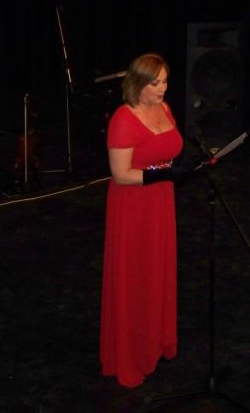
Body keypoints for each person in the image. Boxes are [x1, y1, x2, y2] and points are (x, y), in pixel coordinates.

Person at [100, 52, 184, 387]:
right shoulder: (123, 119)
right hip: (133, 207)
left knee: (156, 269)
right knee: (135, 273)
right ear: (137, 84)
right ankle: (131, 352)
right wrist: (163, 175)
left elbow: (169, 150)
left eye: (165, 81)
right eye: (155, 83)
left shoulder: (165, 109)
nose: (163, 88)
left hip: (160, 200)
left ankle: (155, 340)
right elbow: (120, 175)